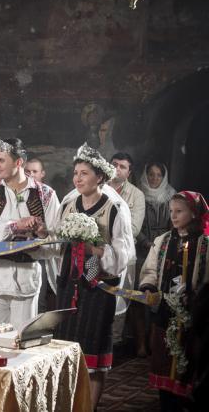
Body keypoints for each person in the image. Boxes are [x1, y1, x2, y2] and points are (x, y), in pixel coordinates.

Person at [55, 143, 134, 409]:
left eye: (84, 173)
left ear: (99, 177)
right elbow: (57, 244)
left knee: (94, 353)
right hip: (70, 286)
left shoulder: (114, 208)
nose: (77, 178)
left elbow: (123, 255)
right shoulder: (68, 204)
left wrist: (94, 250)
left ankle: (90, 407)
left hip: (98, 289)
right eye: (76, 172)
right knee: (66, 348)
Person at [0, 138, 60, 330]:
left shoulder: (46, 195)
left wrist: (43, 233)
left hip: (26, 282)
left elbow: (57, 244)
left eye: (1, 160)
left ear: (18, 162)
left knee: (21, 342)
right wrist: (14, 226)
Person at [139, 191, 209, 411]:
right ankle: (165, 401)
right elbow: (150, 270)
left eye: (179, 211)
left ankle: (186, 399)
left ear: (194, 212)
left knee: (187, 358)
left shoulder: (205, 244)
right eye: (171, 211)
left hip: (193, 314)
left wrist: (197, 297)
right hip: (165, 311)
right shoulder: (163, 241)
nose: (174, 216)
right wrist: (149, 287)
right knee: (163, 357)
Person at [136, 162, 177, 356]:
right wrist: (146, 243)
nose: (154, 179)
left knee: (159, 297)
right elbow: (134, 226)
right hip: (143, 250)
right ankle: (141, 343)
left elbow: (174, 224)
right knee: (142, 295)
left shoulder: (171, 195)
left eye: (158, 175)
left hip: (164, 249)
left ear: (163, 177)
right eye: (151, 174)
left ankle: (155, 341)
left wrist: (163, 244)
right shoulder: (139, 195)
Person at [109, 152, 146, 346]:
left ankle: (114, 343)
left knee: (120, 297)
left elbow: (133, 229)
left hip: (124, 254)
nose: (117, 168)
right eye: (114, 164)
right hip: (98, 253)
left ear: (129, 172)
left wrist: (102, 233)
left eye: (122, 166)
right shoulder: (99, 188)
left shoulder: (136, 195)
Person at [25, 157, 60, 313]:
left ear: (42, 174)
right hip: (17, 253)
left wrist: (42, 233)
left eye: (35, 171)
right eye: (27, 171)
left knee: (38, 301)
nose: (31, 175)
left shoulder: (48, 195)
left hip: (40, 254)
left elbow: (55, 227)